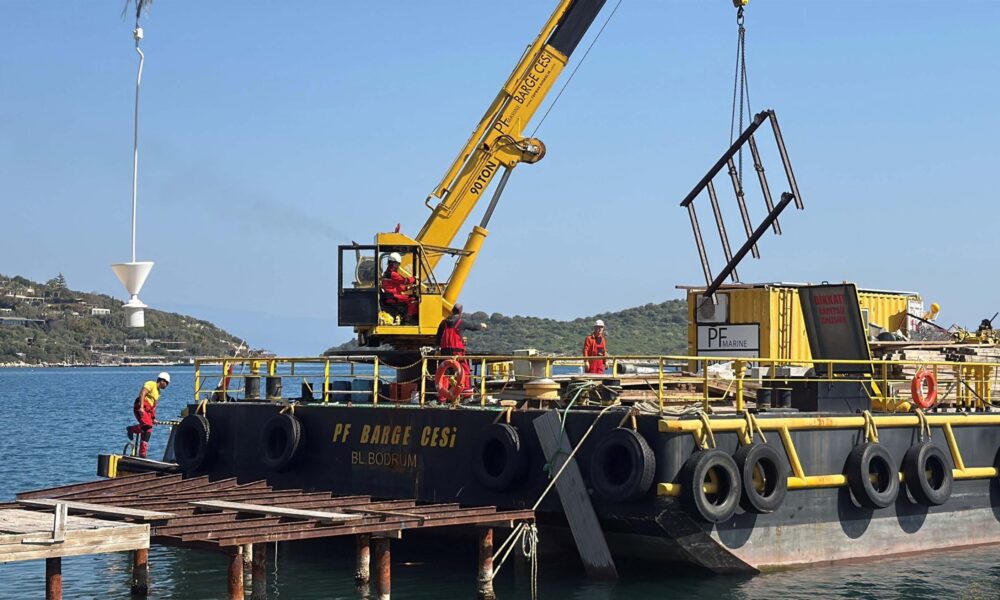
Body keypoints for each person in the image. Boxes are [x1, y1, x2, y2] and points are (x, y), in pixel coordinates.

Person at [436, 304, 487, 399]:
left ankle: (442, 397)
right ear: (460, 312)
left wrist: (437, 348)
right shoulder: (461, 322)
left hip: (445, 350)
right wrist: (481, 326)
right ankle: (466, 393)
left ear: (452, 311)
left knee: (445, 371)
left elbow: (438, 337)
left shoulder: (443, 323)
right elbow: (472, 326)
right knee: (464, 369)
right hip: (457, 351)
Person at [126, 372, 169, 458]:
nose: (167, 385)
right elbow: (142, 393)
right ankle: (131, 429)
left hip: (148, 410)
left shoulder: (158, 392)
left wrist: (153, 418)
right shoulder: (151, 384)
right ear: (162, 380)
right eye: (166, 383)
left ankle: (142, 453)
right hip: (140, 407)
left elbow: (153, 406)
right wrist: (141, 407)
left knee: (148, 430)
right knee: (147, 425)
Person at [380, 252, 418, 323]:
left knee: (411, 297)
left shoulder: (387, 273)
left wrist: (408, 288)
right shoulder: (393, 274)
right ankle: (408, 318)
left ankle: (406, 315)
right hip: (392, 297)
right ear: (392, 263)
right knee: (414, 299)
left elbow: (396, 288)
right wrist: (415, 278)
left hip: (390, 296)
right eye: (397, 264)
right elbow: (405, 281)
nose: (398, 266)